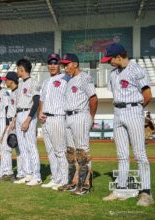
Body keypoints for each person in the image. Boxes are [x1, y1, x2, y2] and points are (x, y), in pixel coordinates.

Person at [101, 43, 153, 206]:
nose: (109, 62)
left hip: (133, 110)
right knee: (122, 155)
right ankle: (120, 190)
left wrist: (137, 111)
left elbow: (147, 95)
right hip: (117, 112)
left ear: (119, 56)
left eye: (110, 59)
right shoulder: (113, 73)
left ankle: (146, 193)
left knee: (139, 154)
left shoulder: (137, 69)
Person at [58, 53, 98, 195]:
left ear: (75, 64)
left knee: (82, 152)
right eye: (63, 64)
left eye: (67, 64)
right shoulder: (70, 80)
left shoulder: (85, 77)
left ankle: (84, 185)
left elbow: (93, 99)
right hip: (68, 117)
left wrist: (91, 118)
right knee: (70, 153)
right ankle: (73, 182)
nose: (65, 67)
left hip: (80, 115)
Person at [38, 54, 69, 190]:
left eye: (55, 63)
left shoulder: (66, 78)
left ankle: (64, 179)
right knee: (50, 151)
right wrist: (40, 111)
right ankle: (56, 178)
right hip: (46, 118)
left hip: (58, 117)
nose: (52, 65)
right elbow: (41, 99)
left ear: (60, 65)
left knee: (60, 150)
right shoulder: (45, 82)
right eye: (50, 63)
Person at [13, 58, 42, 186]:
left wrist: (28, 119)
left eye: (18, 68)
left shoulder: (33, 82)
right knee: (23, 147)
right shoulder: (20, 84)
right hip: (19, 114)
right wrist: (15, 119)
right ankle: (27, 173)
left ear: (21, 69)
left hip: (28, 114)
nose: (17, 71)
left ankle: (37, 176)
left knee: (31, 146)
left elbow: (36, 102)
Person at [4, 71, 24, 180]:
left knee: (19, 149)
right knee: (10, 147)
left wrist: (14, 122)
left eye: (6, 80)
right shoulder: (12, 92)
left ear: (12, 81)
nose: (5, 81)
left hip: (16, 122)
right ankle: (10, 172)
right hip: (11, 122)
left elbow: (19, 109)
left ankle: (21, 173)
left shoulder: (18, 92)